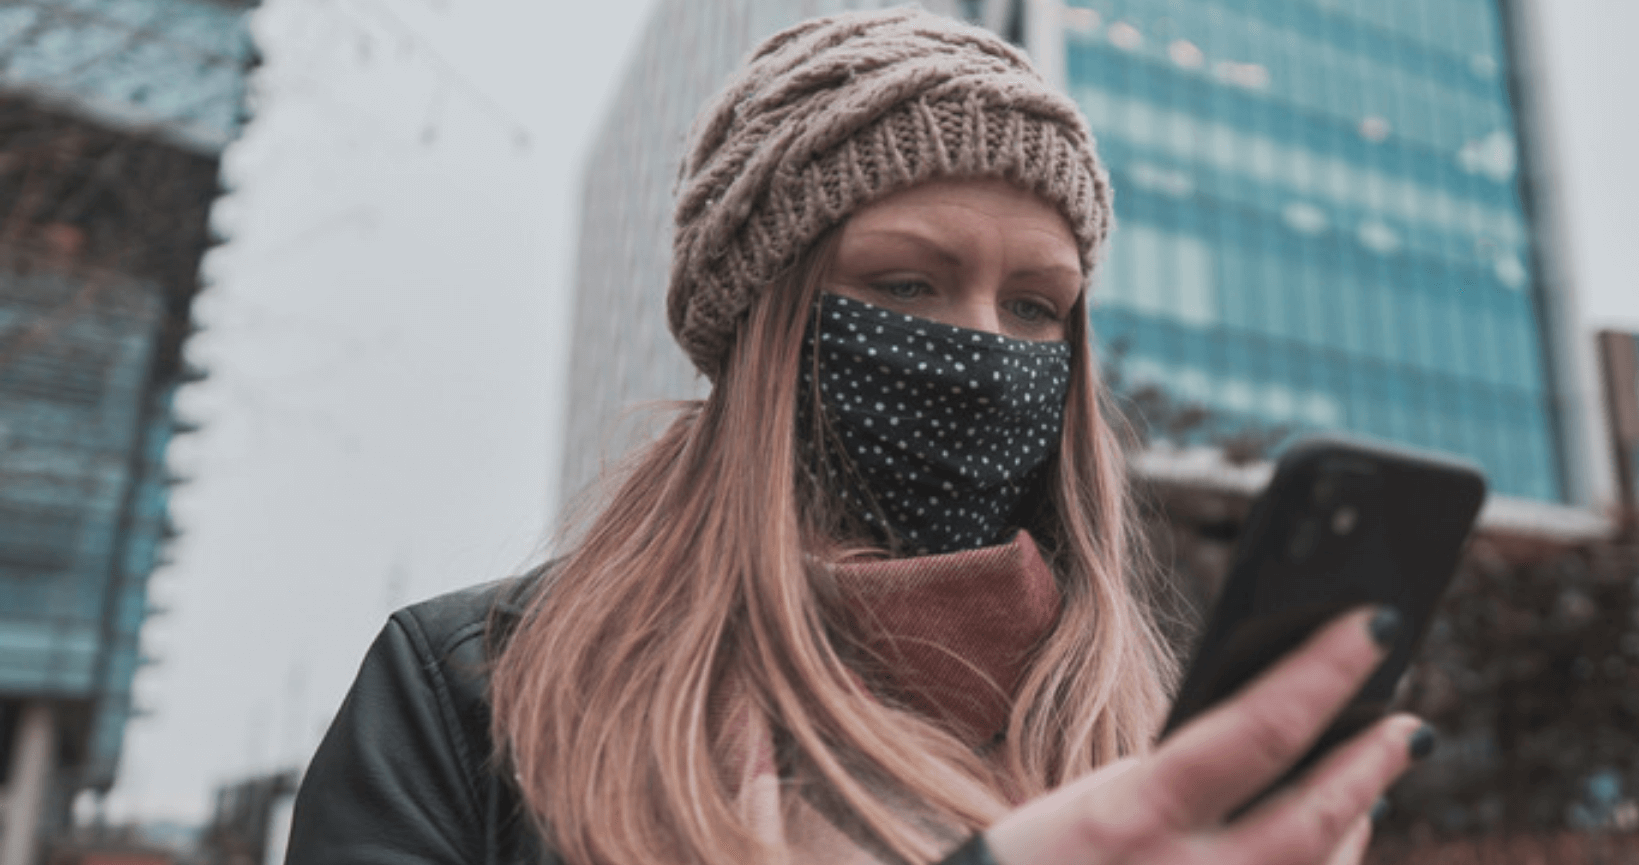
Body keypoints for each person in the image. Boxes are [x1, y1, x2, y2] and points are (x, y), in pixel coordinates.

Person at [284, 8, 1432, 865]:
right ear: (761, 323)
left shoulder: (1151, 727)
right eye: (908, 282)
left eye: (1036, 306)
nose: (984, 349)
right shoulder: (478, 692)